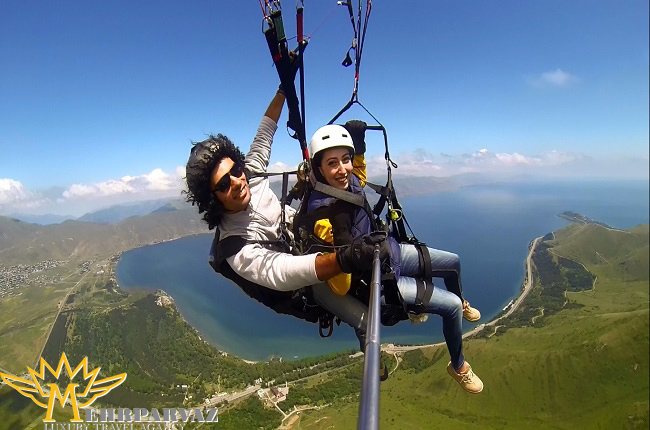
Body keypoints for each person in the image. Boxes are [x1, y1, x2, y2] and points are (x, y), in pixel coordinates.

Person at [302, 121, 484, 393]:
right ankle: (458, 366)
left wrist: (359, 145)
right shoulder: (321, 215)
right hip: (374, 277)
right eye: (332, 163)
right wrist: (342, 243)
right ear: (319, 169)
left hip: (389, 253)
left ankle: (463, 300)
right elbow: (340, 286)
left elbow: (358, 177)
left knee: (453, 262)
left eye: (346, 159)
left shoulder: (348, 181)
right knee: (452, 307)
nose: (342, 169)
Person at [184, 87, 380, 329]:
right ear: (212, 199)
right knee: (367, 321)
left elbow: (264, 132)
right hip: (310, 283)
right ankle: (375, 357)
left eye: (235, 171)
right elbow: (284, 271)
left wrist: (283, 89)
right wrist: (344, 260)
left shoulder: (250, 174)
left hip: (310, 236)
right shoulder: (235, 246)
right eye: (224, 184)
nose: (237, 181)